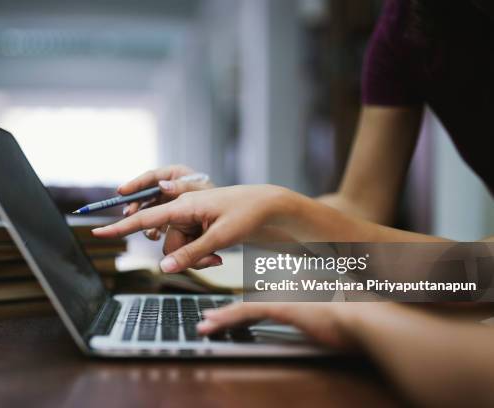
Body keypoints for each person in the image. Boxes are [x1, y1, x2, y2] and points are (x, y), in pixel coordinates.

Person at [91, 1, 494, 405]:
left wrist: (348, 305)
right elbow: (361, 205)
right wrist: (239, 210)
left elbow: (482, 275)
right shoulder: (409, 20)